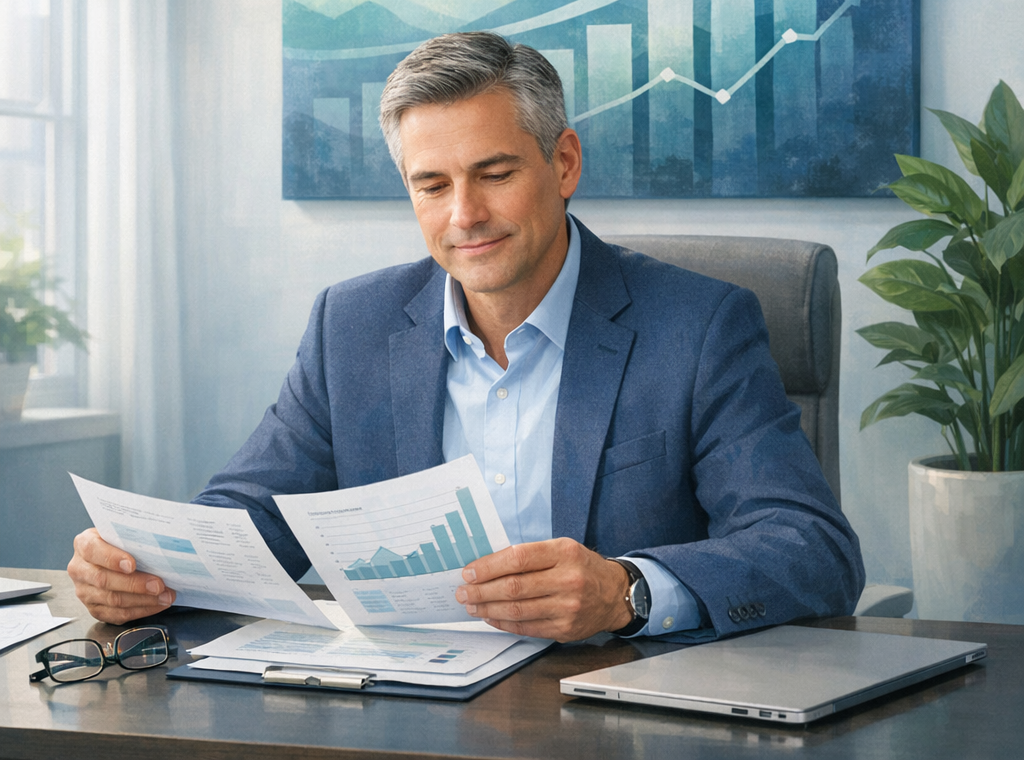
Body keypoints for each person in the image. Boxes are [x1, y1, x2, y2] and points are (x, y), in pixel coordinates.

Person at [69, 32, 864, 640]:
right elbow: (251, 518)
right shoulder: (351, 326)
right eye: (433, 184)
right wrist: (146, 570)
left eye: (494, 174)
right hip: (408, 709)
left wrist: (627, 591)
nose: (464, 216)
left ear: (564, 162)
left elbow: (813, 549)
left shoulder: (697, 326)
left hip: (616, 709)